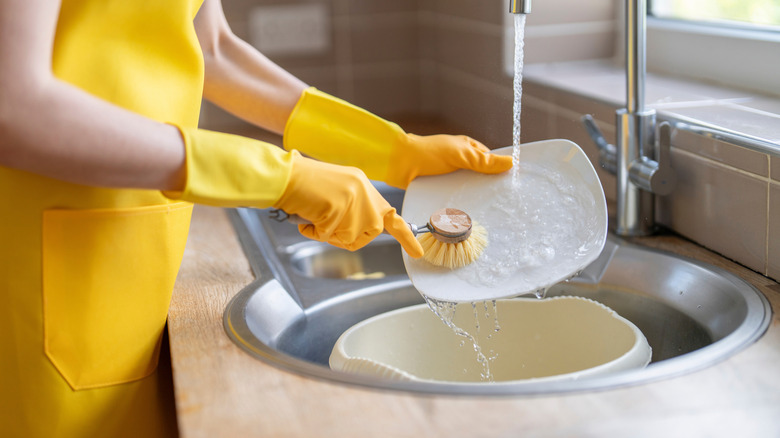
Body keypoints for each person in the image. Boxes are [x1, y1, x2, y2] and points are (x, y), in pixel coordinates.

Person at [0, 0, 513, 436]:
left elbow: (214, 49)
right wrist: (280, 178)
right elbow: (15, 107)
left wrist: (391, 150)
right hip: (40, 278)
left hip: (127, 256)